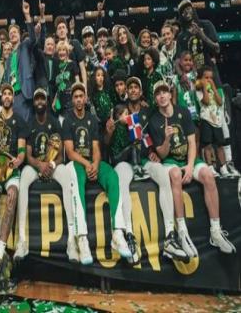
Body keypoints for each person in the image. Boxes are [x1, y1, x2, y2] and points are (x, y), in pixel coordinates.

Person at [148, 81, 236, 259]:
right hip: (170, 160)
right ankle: (182, 232)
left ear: (170, 93)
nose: (162, 96)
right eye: (158, 93)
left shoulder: (183, 111)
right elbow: (162, 154)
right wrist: (166, 139)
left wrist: (189, 166)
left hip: (188, 158)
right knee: (174, 175)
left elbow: (192, 142)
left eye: (164, 92)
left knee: (208, 175)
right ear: (155, 99)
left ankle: (216, 231)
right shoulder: (154, 120)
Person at [106, 77, 188, 264]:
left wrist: (153, 152)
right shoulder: (119, 111)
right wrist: (109, 132)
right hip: (125, 161)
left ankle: (170, 236)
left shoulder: (149, 111)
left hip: (144, 159)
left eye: (136, 87)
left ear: (141, 92)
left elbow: (154, 131)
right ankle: (129, 235)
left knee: (163, 174)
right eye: (130, 87)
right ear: (126, 91)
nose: (133, 90)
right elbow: (107, 143)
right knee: (121, 180)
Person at [62, 83, 131, 264]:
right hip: (76, 163)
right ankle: (82, 238)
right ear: (72, 100)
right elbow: (70, 152)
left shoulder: (92, 119)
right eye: (75, 97)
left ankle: (118, 233)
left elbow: (96, 148)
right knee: (77, 179)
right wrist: (87, 164)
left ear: (85, 99)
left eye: (81, 96)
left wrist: (95, 164)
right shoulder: (68, 120)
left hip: (91, 162)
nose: (79, 99)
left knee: (113, 176)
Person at [14, 88, 83, 262]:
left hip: (52, 165)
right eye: (37, 99)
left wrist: (51, 165)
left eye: (42, 99)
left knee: (66, 176)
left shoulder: (54, 122)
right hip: (36, 165)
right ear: (34, 102)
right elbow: (28, 155)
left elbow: (61, 156)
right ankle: (22, 240)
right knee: (23, 179)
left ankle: (71, 240)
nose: (39, 102)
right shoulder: (30, 123)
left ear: (46, 101)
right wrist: (40, 165)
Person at [0, 83, 27, 292]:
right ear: (1, 97)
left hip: (11, 170)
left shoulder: (19, 120)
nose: (8, 96)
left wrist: (19, 160)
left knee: (12, 196)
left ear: (13, 98)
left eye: (10, 94)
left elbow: (21, 150)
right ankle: (1, 246)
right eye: (5, 94)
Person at [2, 0, 41, 122]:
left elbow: (33, 38)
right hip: (12, 97)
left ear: (19, 35)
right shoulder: (8, 58)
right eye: (10, 33)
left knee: (26, 126)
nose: (12, 34)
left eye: (15, 32)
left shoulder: (25, 46)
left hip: (25, 94)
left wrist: (27, 15)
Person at [195, 66, 231, 177]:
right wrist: (204, 87)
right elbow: (206, 101)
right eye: (206, 78)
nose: (209, 80)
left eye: (211, 78)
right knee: (208, 145)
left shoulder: (215, 89)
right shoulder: (199, 91)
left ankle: (223, 167)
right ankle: (210, 167)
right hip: (206, 120)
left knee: (220, 145)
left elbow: (220, 102)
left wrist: (214, 88)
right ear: (201, 79)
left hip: (217, 121)